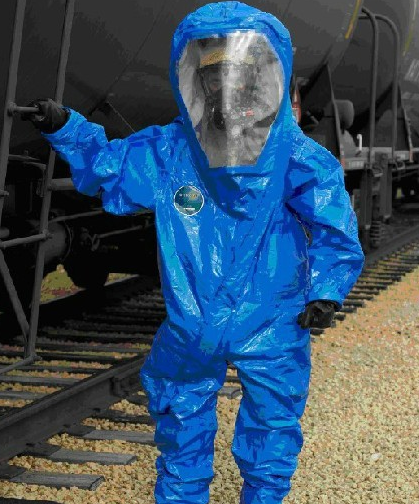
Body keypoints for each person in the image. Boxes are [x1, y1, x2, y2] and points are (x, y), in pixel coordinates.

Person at [23, 2, 365, 503]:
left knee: (272, 424)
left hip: (271, 316)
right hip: (197, 320)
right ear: (195, 81)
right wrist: (65, 127)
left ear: (262, 78)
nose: (226, 90)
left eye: (237, 76)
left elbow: (334, 224)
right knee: (183, 419)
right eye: (214, 76)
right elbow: (109, 166)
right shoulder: (171, 150)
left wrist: (327, 290)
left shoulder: (293, 155)